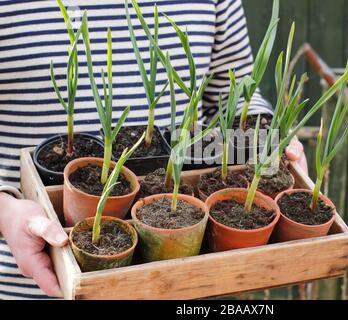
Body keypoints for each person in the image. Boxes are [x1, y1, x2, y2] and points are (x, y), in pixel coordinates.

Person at [0, 0, 307, 299]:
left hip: (186, 279)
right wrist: (4, 212)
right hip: (32, 280)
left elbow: (234, 90)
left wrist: (269, 135)